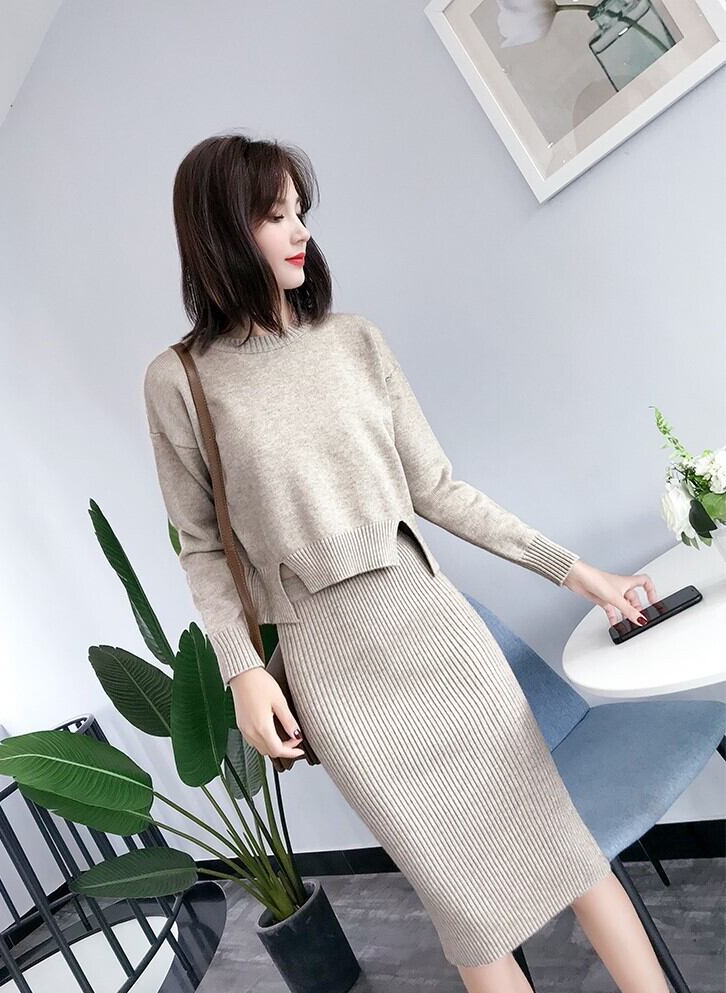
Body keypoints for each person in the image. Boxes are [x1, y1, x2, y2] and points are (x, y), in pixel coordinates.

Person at [143, 132, 669, 993]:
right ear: (221, 231)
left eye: (301, 211)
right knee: (468, 910)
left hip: (438, 634)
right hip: (334, 669)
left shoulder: (355, 341)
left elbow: (440, 489)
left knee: (570, 853)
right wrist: (243, 670)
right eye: (276, 215)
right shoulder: (181, 381)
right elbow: (201, 544)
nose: (300, 231)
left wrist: (579, 572)